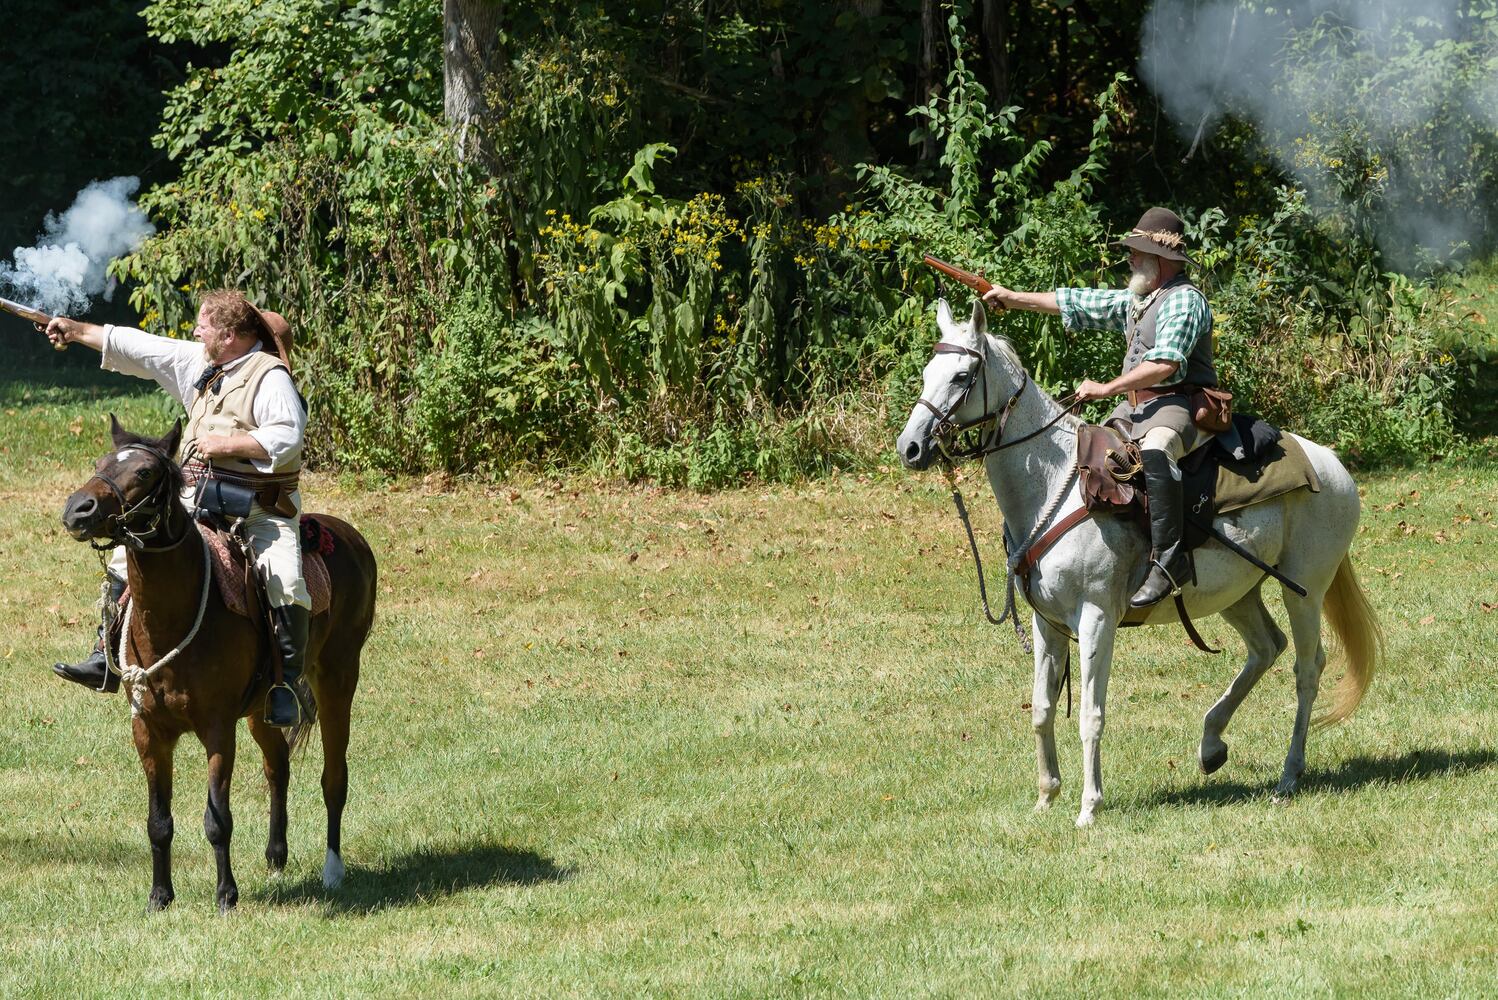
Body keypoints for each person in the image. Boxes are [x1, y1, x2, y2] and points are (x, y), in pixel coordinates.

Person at [44, 291, 311, 726]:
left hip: (260, 511)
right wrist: (77, 332)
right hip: (196, 502)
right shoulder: (204, 363)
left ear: (228, 336)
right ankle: (105, 656)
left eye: (203, 326)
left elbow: (287, 438)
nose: (194, 331)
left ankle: (285, 687)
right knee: (123, 553)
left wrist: (227, 444)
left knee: (287, 581)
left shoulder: (271, 378)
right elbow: (140, 346)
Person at [981, 207, 1218, 608]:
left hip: (1176, 405)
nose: (1129, 258)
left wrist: (1108, 388)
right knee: (1091, 450)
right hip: (1134, 410)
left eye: (1137, 252)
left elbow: (1166, 364)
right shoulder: (1141, 299)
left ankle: (1168, 562)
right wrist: (1011, 297)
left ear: (1160, 261)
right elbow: (1076, 301)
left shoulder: (1184, 301)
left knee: (1157, 451)